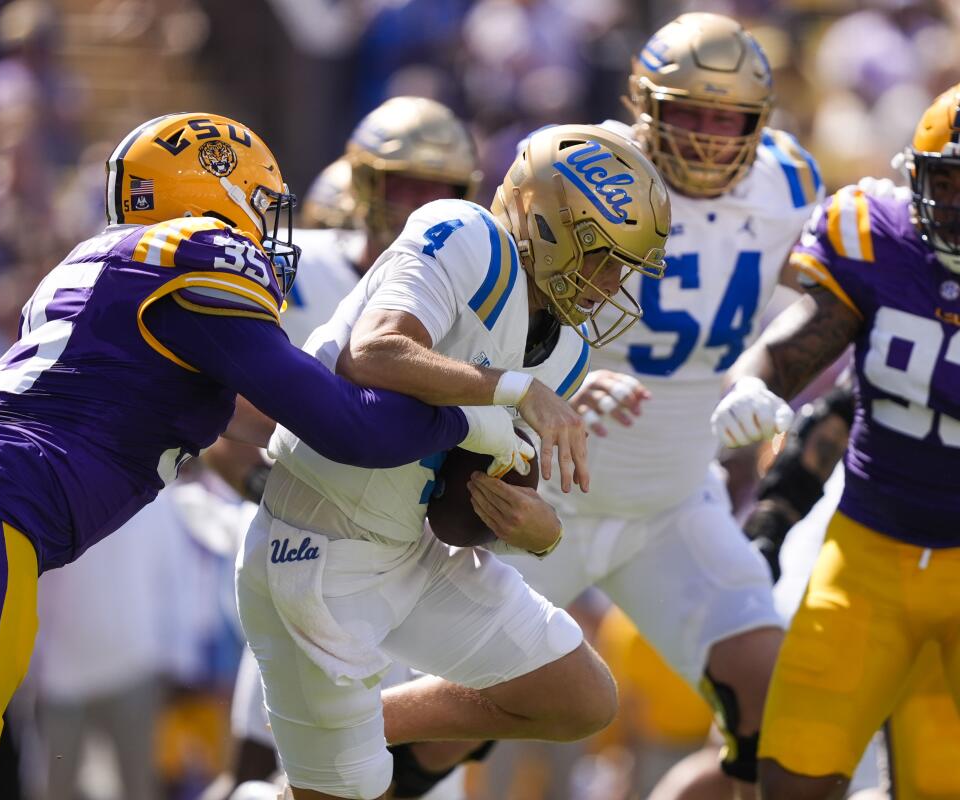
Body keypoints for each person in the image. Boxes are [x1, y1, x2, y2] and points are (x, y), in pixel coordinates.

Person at [0, 112, 545, 800]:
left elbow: (230, 422)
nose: (264, 231)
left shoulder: (95, 265)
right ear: (217, 194)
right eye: (259, 206)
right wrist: (475, 418)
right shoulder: (198, 254)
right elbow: (349, 426)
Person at [237, 123, 670, 800]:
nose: (611, 283)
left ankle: (346, 731)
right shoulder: (466, 234)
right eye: (603, 256)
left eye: (625, 265)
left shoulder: (566, 348)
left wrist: (530, 530)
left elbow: (461, 501)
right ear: (548, 223)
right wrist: (515, 389)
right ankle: (326, 745)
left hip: (412, 549)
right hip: (317, 546)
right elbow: (374, 353)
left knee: (580, 698)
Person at [468, 13, 821, 799]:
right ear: (644, 105)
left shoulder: (789, 180)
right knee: (440, 731)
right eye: (686, 111)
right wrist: (551, 374)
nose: (704, 135)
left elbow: (829, 305)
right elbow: (481, 308)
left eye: (725, 117)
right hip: (539, 498)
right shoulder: (578, 162)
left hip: (673, 501)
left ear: (759, 121)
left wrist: (763, 379)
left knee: (781, 720)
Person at [209, 96, 488, 800]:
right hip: (298, 543)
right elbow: (215, 418)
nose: (421, 203)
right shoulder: (292, 268)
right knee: (265, 746)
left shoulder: (477, 286)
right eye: (403, 182)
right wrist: (276, 494)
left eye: (440, 189)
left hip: (416, 554)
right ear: (364, 182)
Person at [711, 82, 960, 799]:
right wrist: (755, 384)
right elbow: (796, 346)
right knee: (792, 782)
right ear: (917, 179)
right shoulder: (877, 237)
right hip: (867, 558)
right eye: (952, 183)